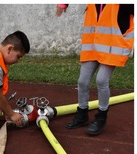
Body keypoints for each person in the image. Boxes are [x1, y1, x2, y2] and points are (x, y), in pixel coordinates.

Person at [56, 4, 134, 136]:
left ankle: (101, 117)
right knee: (82, 81)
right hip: (92, 46)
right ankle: (82, 115)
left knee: (101, 80)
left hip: (112, 48)